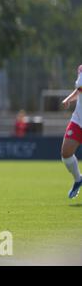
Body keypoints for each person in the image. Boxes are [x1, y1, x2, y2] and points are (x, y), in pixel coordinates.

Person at [61, 64, 82, 199]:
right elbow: (80, 90)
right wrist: (69, 98)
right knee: (66, 153)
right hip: (78, 120)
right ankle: (78, 179)